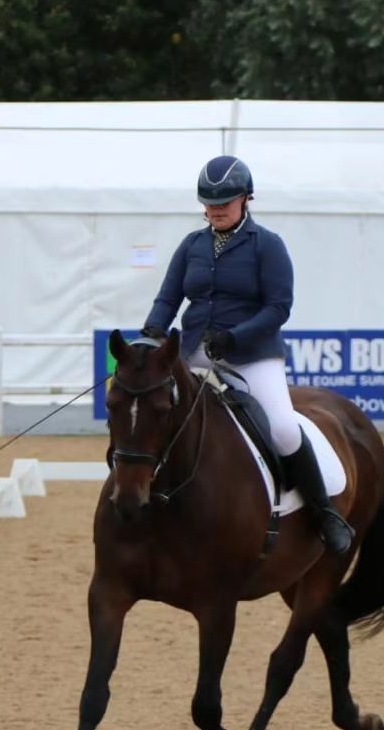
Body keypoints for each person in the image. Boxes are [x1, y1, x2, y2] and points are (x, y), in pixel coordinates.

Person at [141, 155, 354, 553]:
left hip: (252, 356)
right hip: (195, 354)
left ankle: (324, 512)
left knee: (284, 428)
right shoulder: (192, 246)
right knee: (155, 415)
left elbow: (278, 307)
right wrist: (153, 329)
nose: (216, 209)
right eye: (209, 202)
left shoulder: (267, 246)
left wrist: (235, 338)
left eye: (225, 201)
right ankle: (147, 501)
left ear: (246, 199)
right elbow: (170, 296)